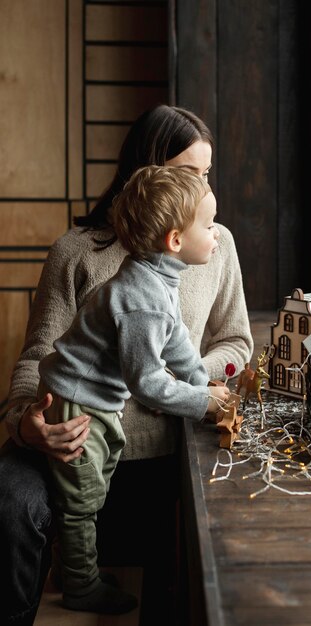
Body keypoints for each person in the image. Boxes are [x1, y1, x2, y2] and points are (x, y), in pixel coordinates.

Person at [0, 104, 253, 625]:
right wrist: (27, 422)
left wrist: (197, 384)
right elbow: (37, 356)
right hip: (78, 425)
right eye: (189, 176)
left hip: (172, 445)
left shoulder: (214, 242)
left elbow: (233, 343)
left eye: (207, 175)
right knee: (16, 499)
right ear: (148, 174)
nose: (205, 193)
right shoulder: (78, 252)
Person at [37, 165, 230, 614]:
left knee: (91, 489)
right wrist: (202, 403)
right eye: (208, 224)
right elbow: (148, 383)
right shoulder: (142, 298)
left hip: (92, 398)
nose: (217, 233)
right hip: (75, 403)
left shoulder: (156, 278)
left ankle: (72, 572)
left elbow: (178, 342)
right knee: (82, 500)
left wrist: (204, 382)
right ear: (176, 241)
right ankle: (80, 588)